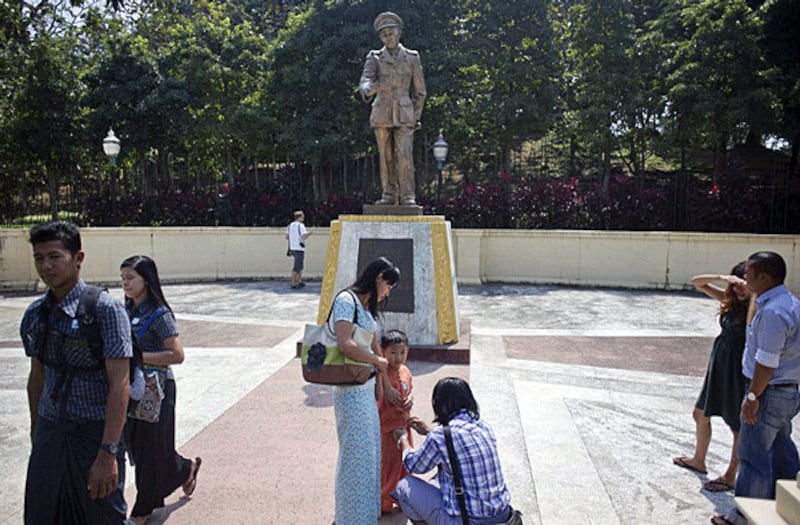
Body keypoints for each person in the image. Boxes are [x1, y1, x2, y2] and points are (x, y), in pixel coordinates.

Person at [19, 221, 132, 524]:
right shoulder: (35, 315)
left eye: (55, 257)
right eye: (39, 258)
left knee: (101, 516)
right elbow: (37, 377)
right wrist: (37, 433)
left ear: (78, 258)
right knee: (43, 515)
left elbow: (120, 383)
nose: (46, 266)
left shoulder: (104, 310)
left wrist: (108, 452)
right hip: (50, 432)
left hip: (94, 435)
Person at [712, 251, 800, 525]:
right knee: (781, 447)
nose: (744, 278)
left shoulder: (773, 313)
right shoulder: (789, 303)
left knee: (753, 458)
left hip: (767, 392)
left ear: (764, 276)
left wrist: (752, 396)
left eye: (749, 273)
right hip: (787, 392)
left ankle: (743, 518)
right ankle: (784, 506)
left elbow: (766, 362)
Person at [120, 255, 201, 524]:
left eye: (131, 278)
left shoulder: (159, 314)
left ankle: (143, 510)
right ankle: (186, 468)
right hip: (133, 390)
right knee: (144, 449)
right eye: (123, 278)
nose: (125, 283)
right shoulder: (127, 310)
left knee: (153, 449)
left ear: (147, 279)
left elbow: (177, 354)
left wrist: (138, 357)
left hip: (158, 392)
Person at [331, 257, 400, 525]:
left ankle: (365, 516)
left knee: (368, 454)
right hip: (351, 390)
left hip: (365, 388)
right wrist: (377, 362)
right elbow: (345, 343)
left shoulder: (366, 307)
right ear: (379, 277)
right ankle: (350, 518)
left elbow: (373, 347)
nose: (388, 292)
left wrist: (381, 380)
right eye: (388, 285)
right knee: (354, 456)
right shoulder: (346, 301)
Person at [393, 377, 515, 525]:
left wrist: (403, 440)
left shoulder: (441, 436)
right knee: (440, 477)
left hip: (469, 521)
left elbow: (413, 465)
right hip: (503, 516)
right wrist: (429, 432)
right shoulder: (483, 427)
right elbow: (459, 444)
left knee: (404, 487)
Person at [673, 263, 750, 492]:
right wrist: (722, 277)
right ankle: (699, 459)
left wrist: (750, 290)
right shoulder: (730, 303)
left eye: (743, 284)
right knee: (700, 413)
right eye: (735, 284)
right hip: (720, 364)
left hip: (736, 369)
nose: (738, 290)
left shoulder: (755, 307)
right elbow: (698, 282)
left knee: (737, 426)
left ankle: (730, 476)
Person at [359, 11, 427, 206]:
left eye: (391, 32)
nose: (388, 37)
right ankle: (388, 195)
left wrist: (415, 116)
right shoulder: (375, 57)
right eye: (384, 34)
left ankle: (407, 196)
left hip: (405, 114)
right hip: (382, 112)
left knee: (404, 155)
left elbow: (420, 92)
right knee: (385, 156)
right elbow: (365, 80)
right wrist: (369, 89)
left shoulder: (412, 57)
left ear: (399, 33)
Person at [377, 329, 418, 514]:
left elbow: (409, 390)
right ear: (383, 352)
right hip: (387, 429)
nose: (398, 357)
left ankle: (403, 499)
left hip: (404, 425)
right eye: (393, 352)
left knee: (405, 465)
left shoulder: (406, 371)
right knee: (389, 466)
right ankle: (384, 500)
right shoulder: (381, 373)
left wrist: (411, 398)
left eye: (402, 352)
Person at [286, 210, 310, 288]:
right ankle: (293, 282)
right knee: (297, 266)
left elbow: (286, 236)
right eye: (302, 216)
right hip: (299, 248)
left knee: (299, 265)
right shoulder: (301, 225)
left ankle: (299, 281)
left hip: (292, 248)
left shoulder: (290, 226)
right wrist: (309, 234)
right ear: (299, 217)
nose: (304, 218)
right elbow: (303, 236)